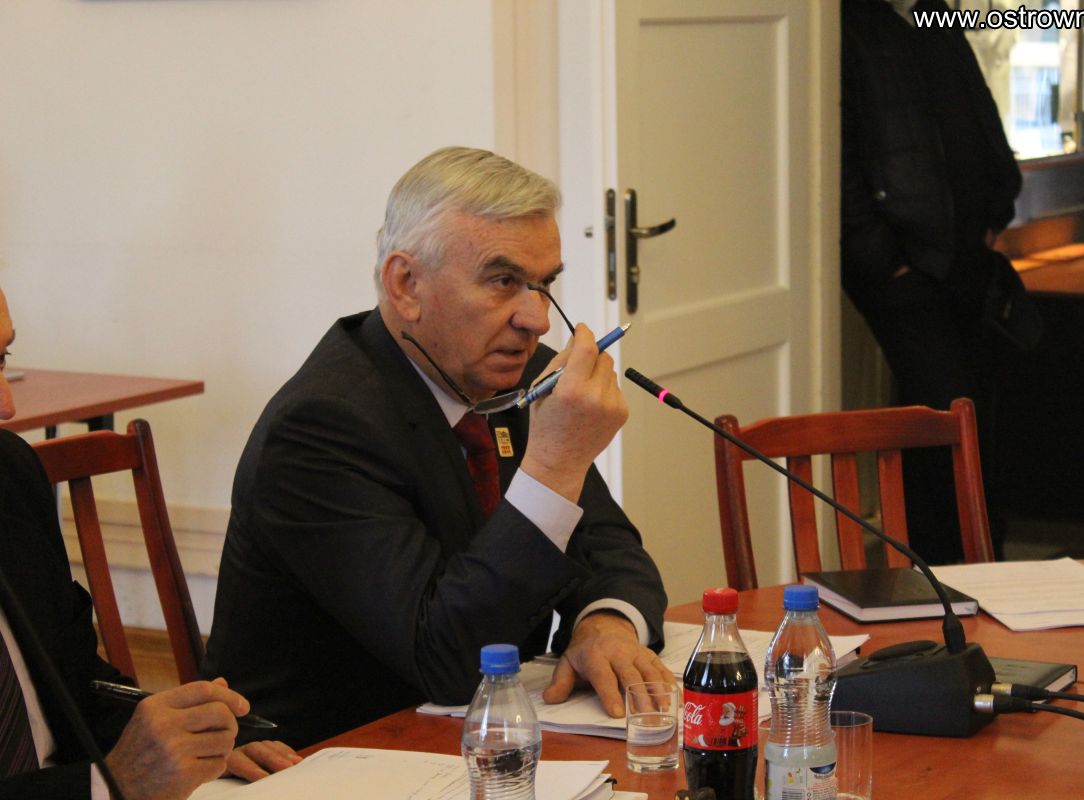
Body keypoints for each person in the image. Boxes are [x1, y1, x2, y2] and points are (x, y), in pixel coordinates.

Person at [203, 146, 672, 748]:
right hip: (330, 756)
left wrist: (604, 623)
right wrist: (556, 464)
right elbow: (446, 659)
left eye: (545, 285)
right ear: (406, 285)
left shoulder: (518, 373)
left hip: (481, 739)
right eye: (503, 282)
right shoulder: (321, 427)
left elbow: (608, 546)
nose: (537, 320)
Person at [0, 287, 300, 800]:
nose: (7, 406)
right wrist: (110, 783)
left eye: (4, 358)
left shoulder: (10, 473)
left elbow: (75, 682)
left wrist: (191, 741)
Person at [840, 0, 1039, 563]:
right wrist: (881, 258)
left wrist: (998, 205)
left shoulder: (934, 15)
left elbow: (979, 113)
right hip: (903, 267)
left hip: (965, 257)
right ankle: (961, 565)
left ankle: (965, 563)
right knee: (947, 411)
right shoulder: (849, 24)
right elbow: (837, 153)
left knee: (966, 415)